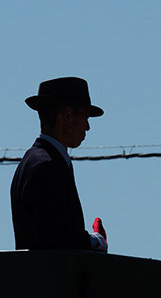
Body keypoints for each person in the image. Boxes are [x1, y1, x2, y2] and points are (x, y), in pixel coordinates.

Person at [10, 77, 108, 251]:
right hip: (48, 276)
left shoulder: (32, 160)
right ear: (68, 116)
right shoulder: (47, 166)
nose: (87, 127)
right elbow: (57, 238)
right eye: (85, 117)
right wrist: (97, 241)